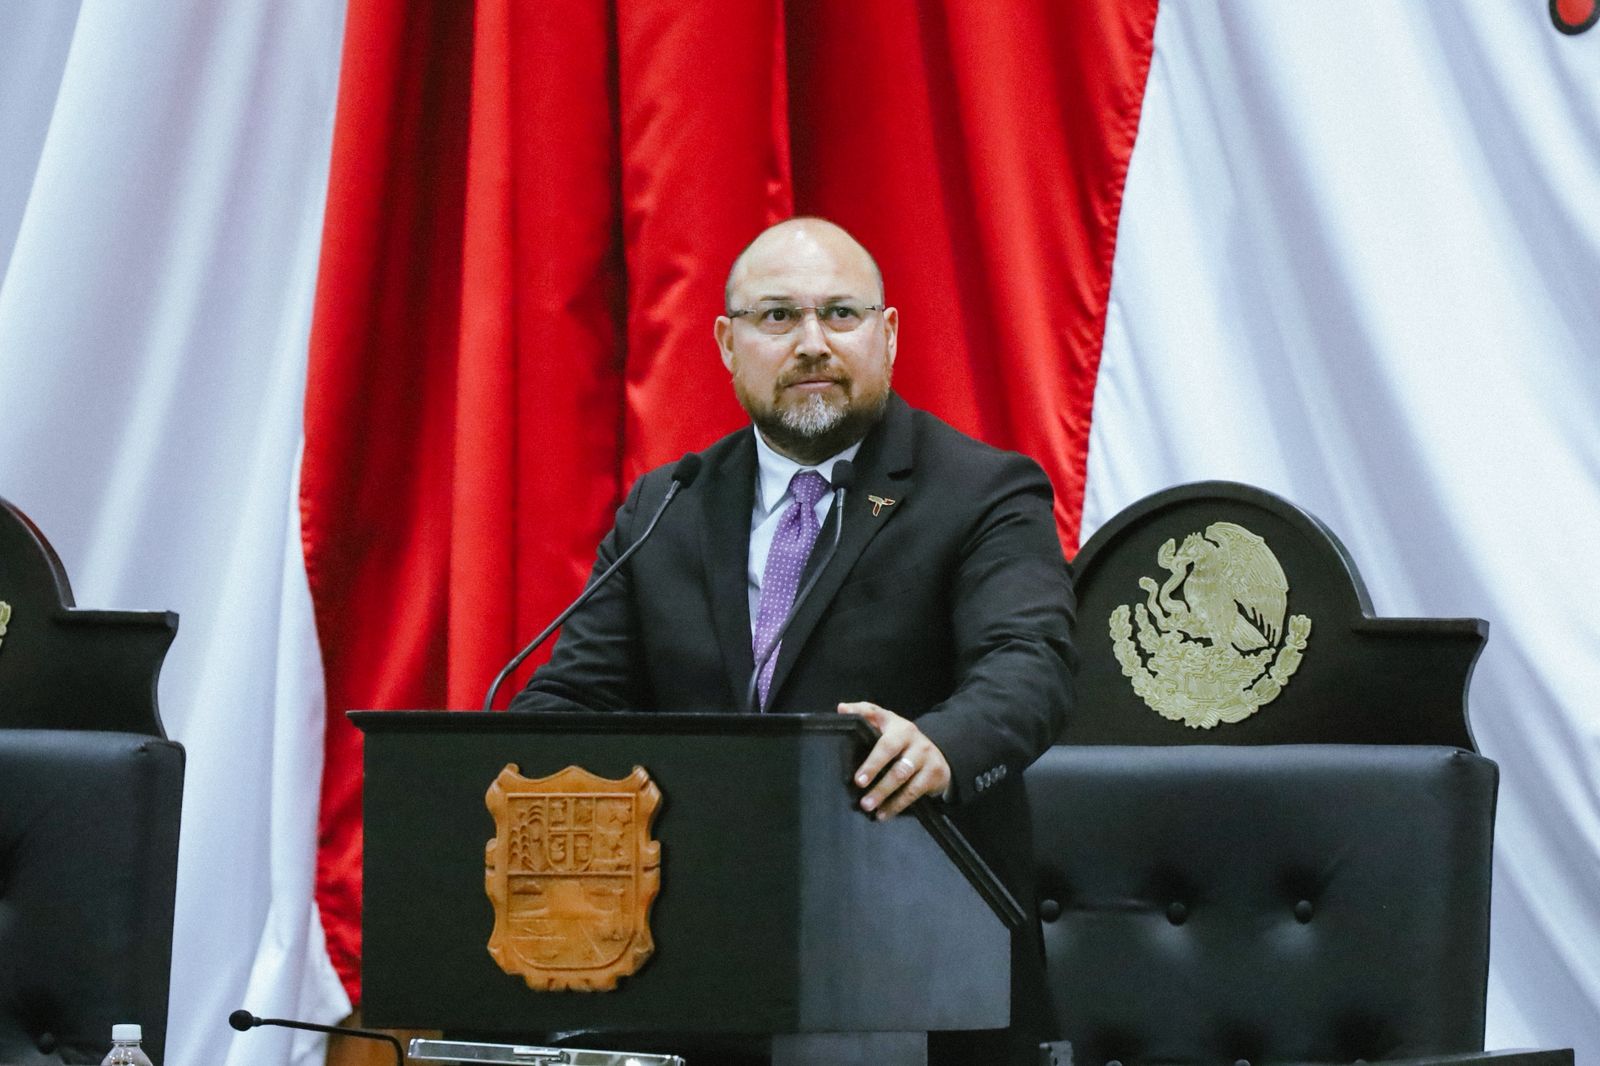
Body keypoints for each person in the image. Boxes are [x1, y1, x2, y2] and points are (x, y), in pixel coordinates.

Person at [511, 217, 1076, 1065]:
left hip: (914, 970)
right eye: (778, 317)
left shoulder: (980, 492)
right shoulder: (668, 505)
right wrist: (507, 766)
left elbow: (1029, 663)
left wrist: (942, 745)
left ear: (887, 334)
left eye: (840, 314)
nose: (812, 342)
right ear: (727, 345)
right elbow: (572, 698)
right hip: (691, 971)